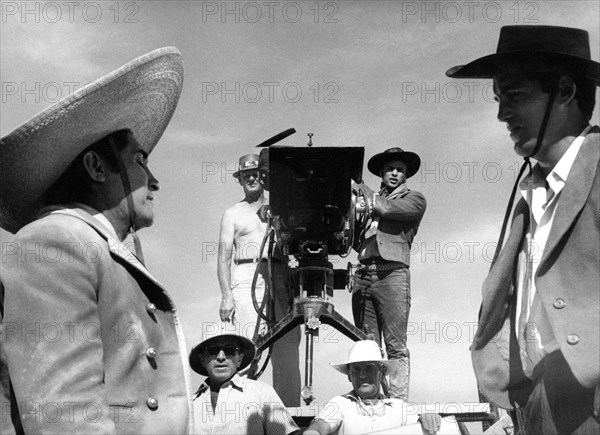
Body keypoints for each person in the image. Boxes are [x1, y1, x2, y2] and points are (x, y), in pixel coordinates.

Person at [0, 48, 193, 433]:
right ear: (95, 167)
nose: (153, 180)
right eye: (140, 160)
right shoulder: (54, 243)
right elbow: (66, 418)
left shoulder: (102, 250)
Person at [446, 25, 600, 434]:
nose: (501, 114)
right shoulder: (529, 192)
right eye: (498, 99)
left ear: (565, 91)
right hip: (534, 407)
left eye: (514, 96)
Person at [217, 153, 301, 406]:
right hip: (246, 276)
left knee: (286, 346)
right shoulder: (233, 213)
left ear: (264, 176)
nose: (252, 178)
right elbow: (223, 258)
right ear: (240, 179)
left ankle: (287, 414)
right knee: (246, 344)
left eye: (256, 173)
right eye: (246, 175)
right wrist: (226, 296)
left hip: (281, 275)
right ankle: (239, 410)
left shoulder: (281, 207)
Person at [351, 148, 427, 401]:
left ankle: (398, 406)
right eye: (390, 169)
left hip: (392, 275)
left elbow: (384, 208)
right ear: (382, 174)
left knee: (395, 346)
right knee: (368, 347)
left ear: (405, 175)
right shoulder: (365, 201)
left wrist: (358, 184)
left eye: (400, 169)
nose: (395, 173)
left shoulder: (414, 199)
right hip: (363, 274)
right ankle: (373, 402)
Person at [304, 340, 443, 435]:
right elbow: (319, 426)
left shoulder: (399, 407)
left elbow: (417, 427)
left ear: (381, 373)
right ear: (349, 376)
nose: (362, 375)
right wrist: (313, 431)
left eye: (369, 368)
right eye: (356, 370)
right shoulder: (340, 403)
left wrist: (427, 419)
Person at [189, 329, 300, 434]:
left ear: (240, 359)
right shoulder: (190, 405)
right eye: (213, 350)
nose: (221, 357)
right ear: (202, 359)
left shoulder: (262, 393)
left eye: (229, 350)